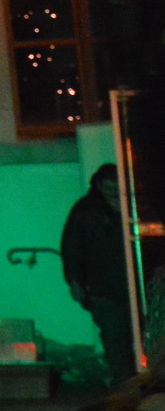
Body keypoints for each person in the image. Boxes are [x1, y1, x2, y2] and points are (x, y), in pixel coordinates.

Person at [63, 163, 138, 383]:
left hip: (136, 287)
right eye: (108, 189)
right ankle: (126, 389)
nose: (113, 194)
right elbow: (72, 247)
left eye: (116, 189)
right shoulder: (86, 210)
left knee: (140, 340)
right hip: (104, 289)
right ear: (99, 186)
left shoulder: (135, 207)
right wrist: (75, 281)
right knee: (115, 342)